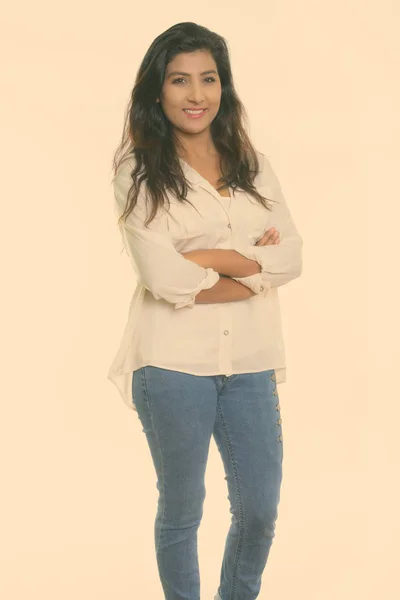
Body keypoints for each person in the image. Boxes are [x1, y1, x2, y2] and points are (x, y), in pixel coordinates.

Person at [107, 21, 303, 600]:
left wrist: (206, 260)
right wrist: (250, 268)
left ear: (224, 87)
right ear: (157, 90)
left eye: (209, 79)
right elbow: (163, 278)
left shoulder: (254, 164)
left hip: (250, 361)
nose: (196, 95)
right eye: (180, 80)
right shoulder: (138, 173)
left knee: (260, 509)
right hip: (170, 365)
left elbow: (290, 257)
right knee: (182, 509)